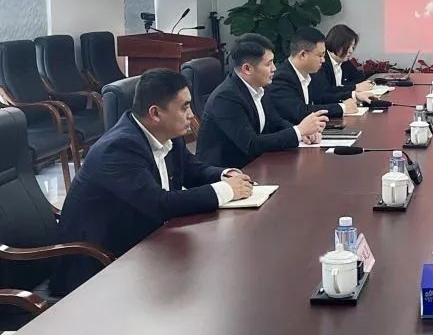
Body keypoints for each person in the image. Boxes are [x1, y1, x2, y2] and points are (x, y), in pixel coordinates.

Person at [53, 69, 255, 293]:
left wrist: (225, 175)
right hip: (98, 265)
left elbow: (192, 170)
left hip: (145, 245)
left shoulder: (166, 134)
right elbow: (159, 204)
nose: (191, 114)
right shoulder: (119, 148)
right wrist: (226, 191)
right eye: (184, 107)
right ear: (155, 113)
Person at [197, 33, 327, 169]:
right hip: (228, 172)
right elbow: (251, 144)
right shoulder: (226, 98)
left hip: (256, 164)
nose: (274, 69)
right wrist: (298, 131)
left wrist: (303, 133)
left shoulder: (259, 87)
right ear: (247, 68)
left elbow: (276, 122)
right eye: (268, 64)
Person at [267, 26, 376, 123]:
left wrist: (354, 96)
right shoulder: (282, 77)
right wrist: (342, 108)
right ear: (303, 55)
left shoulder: (308, 74)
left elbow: (322, 97)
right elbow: (299, 111)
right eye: (320, 55)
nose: (323, 60)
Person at [315, 23, 375, 101]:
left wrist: (347, 87)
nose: (351, 51)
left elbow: (359, 78)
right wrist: (354, 87)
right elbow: (326, 91)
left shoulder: (344, 61)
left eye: (353, 47)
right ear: (337, 43)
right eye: (348, 46)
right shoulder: (321, 62)